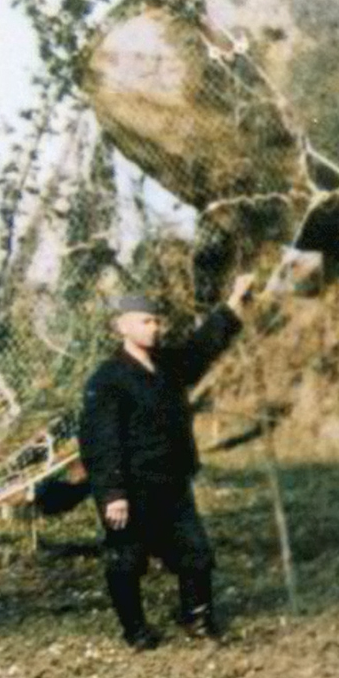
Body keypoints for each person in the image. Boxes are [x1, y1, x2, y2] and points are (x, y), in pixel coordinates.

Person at [78, 273, 257, 650]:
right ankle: (135, 630)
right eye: (145, 321)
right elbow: (100, 442)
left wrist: (234, 302)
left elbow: (200, 349)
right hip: (131, 488)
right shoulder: (108, 380)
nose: (154, 328)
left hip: (172, 482)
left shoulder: (166, 365)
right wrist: (113, 494)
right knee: (127, 561)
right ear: (122, 327)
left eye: (157, 321)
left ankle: (197, 618)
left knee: (196, 552)